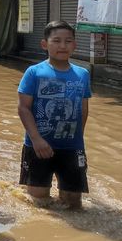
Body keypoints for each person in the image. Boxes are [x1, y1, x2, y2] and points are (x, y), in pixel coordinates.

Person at [17, 20, 92, 209]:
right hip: (38, 146)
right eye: (56, 41)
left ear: (74, 45)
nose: (62, 46)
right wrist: (36, 139)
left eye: (68, 41)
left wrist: (78, 140)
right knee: (38, 201)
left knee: (74, 202)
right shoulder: (34, 72)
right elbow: (23, 108)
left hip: (72, 147)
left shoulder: (82, 74)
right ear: (45, 44)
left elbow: (83, 109)